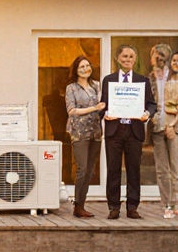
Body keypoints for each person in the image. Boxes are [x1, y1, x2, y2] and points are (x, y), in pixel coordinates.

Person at [100, 45, 157, 220]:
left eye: (131, 56)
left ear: (135, 59)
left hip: (134, 130)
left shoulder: (143, 81)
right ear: (118, 58)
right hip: (114, 130)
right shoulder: (109, 80)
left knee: (134, 170)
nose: (127, 59)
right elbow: (103, 105)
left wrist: (147, 114)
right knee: (113, 169)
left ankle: (132, 207)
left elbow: (151, 104)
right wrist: (105, 114)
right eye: (124, 56)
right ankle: (114, 207)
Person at [64, 56, 103, 218]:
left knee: (90, 170)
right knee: (82, 168)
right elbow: (71, 111)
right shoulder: (71, 88)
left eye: (87, 65)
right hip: (79, 132)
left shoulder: (97, 86)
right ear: (76, 69)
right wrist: (93, 108)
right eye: (82, 66)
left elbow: (105, 104)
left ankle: (82, 204)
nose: (85, 68)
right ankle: (77, 205)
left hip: (95, 131)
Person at [153, 51, 178, 218]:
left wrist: (172, 125)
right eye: (174, 60)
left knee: (175, 168)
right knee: (161, 170)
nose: (176, 63)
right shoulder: (157, 79)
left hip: (174, 128)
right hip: (157, 127)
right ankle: (165, 203)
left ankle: (175, 203)